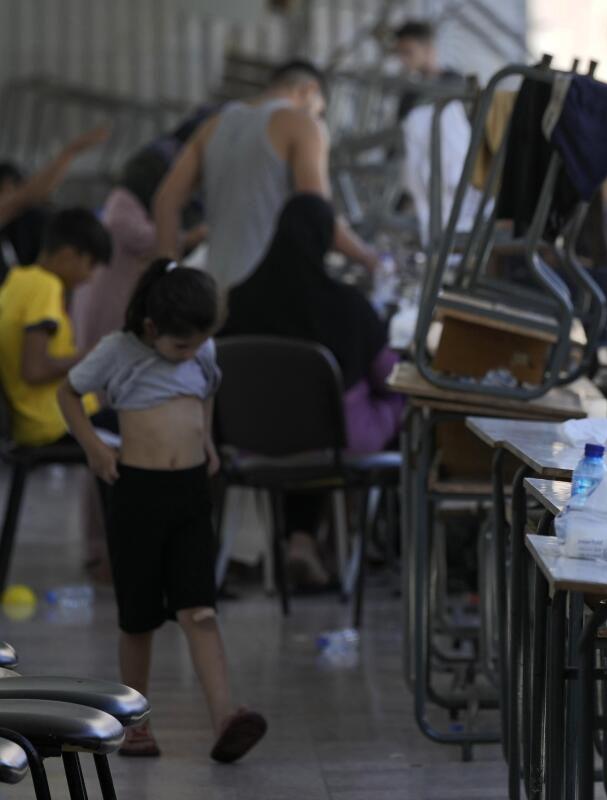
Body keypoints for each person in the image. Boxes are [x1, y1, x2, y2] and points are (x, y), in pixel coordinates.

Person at [58, 259, 268, 762]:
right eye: (180, 348)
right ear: (151, 329)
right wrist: (94, 447)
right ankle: (136, 725)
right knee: (138, 619)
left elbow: (210, 388)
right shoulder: (119, 351)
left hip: (191, 494)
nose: (190, 355)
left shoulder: (201, 346)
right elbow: (68, 393)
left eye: (198, 345)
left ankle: (226, 719)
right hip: (138, 495)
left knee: (201, 609)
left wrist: (209, 440)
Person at [222, 194, 404, 589]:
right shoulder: (348, 305)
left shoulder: (238, 300)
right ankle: (375, 548)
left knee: (295, 420)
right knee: (398, 402)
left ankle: (302, 543)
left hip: (256, 442)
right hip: (336, 441)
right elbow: (390, 376)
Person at [153, 59, 379, 291]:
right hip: (269, 291)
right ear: (309, 90)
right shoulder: (302, 125)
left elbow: (165, 201)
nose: (318, 116)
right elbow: (317, 215)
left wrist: (170, 275)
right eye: (319, 110)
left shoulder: (213, 124)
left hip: (215, 287)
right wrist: (369, 258)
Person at [72, 147, 208, 353]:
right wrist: (190, 237)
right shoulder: (123, 203)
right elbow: (141, 236)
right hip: (108, 295)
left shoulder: (132, 204)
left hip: (117, 293)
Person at [0, 208, 111, 446]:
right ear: (68, 255)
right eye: (90, 265)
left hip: (44, 422)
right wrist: (90, 356)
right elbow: (34, 370)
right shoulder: (46, 286)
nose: (90, 278)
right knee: (150, 438)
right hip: (57, 423)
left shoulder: (16, 281)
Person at [0, 125, 111, 274]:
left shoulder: (25, 223)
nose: (13, 198)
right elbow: (31, 194)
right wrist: (71, 151)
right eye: (9, 190)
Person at [392, 20, 465, 120]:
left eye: (408, 52)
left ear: (427, 48)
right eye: (400, 54)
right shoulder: (411, 92)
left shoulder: (455, 83)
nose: (403, 60)